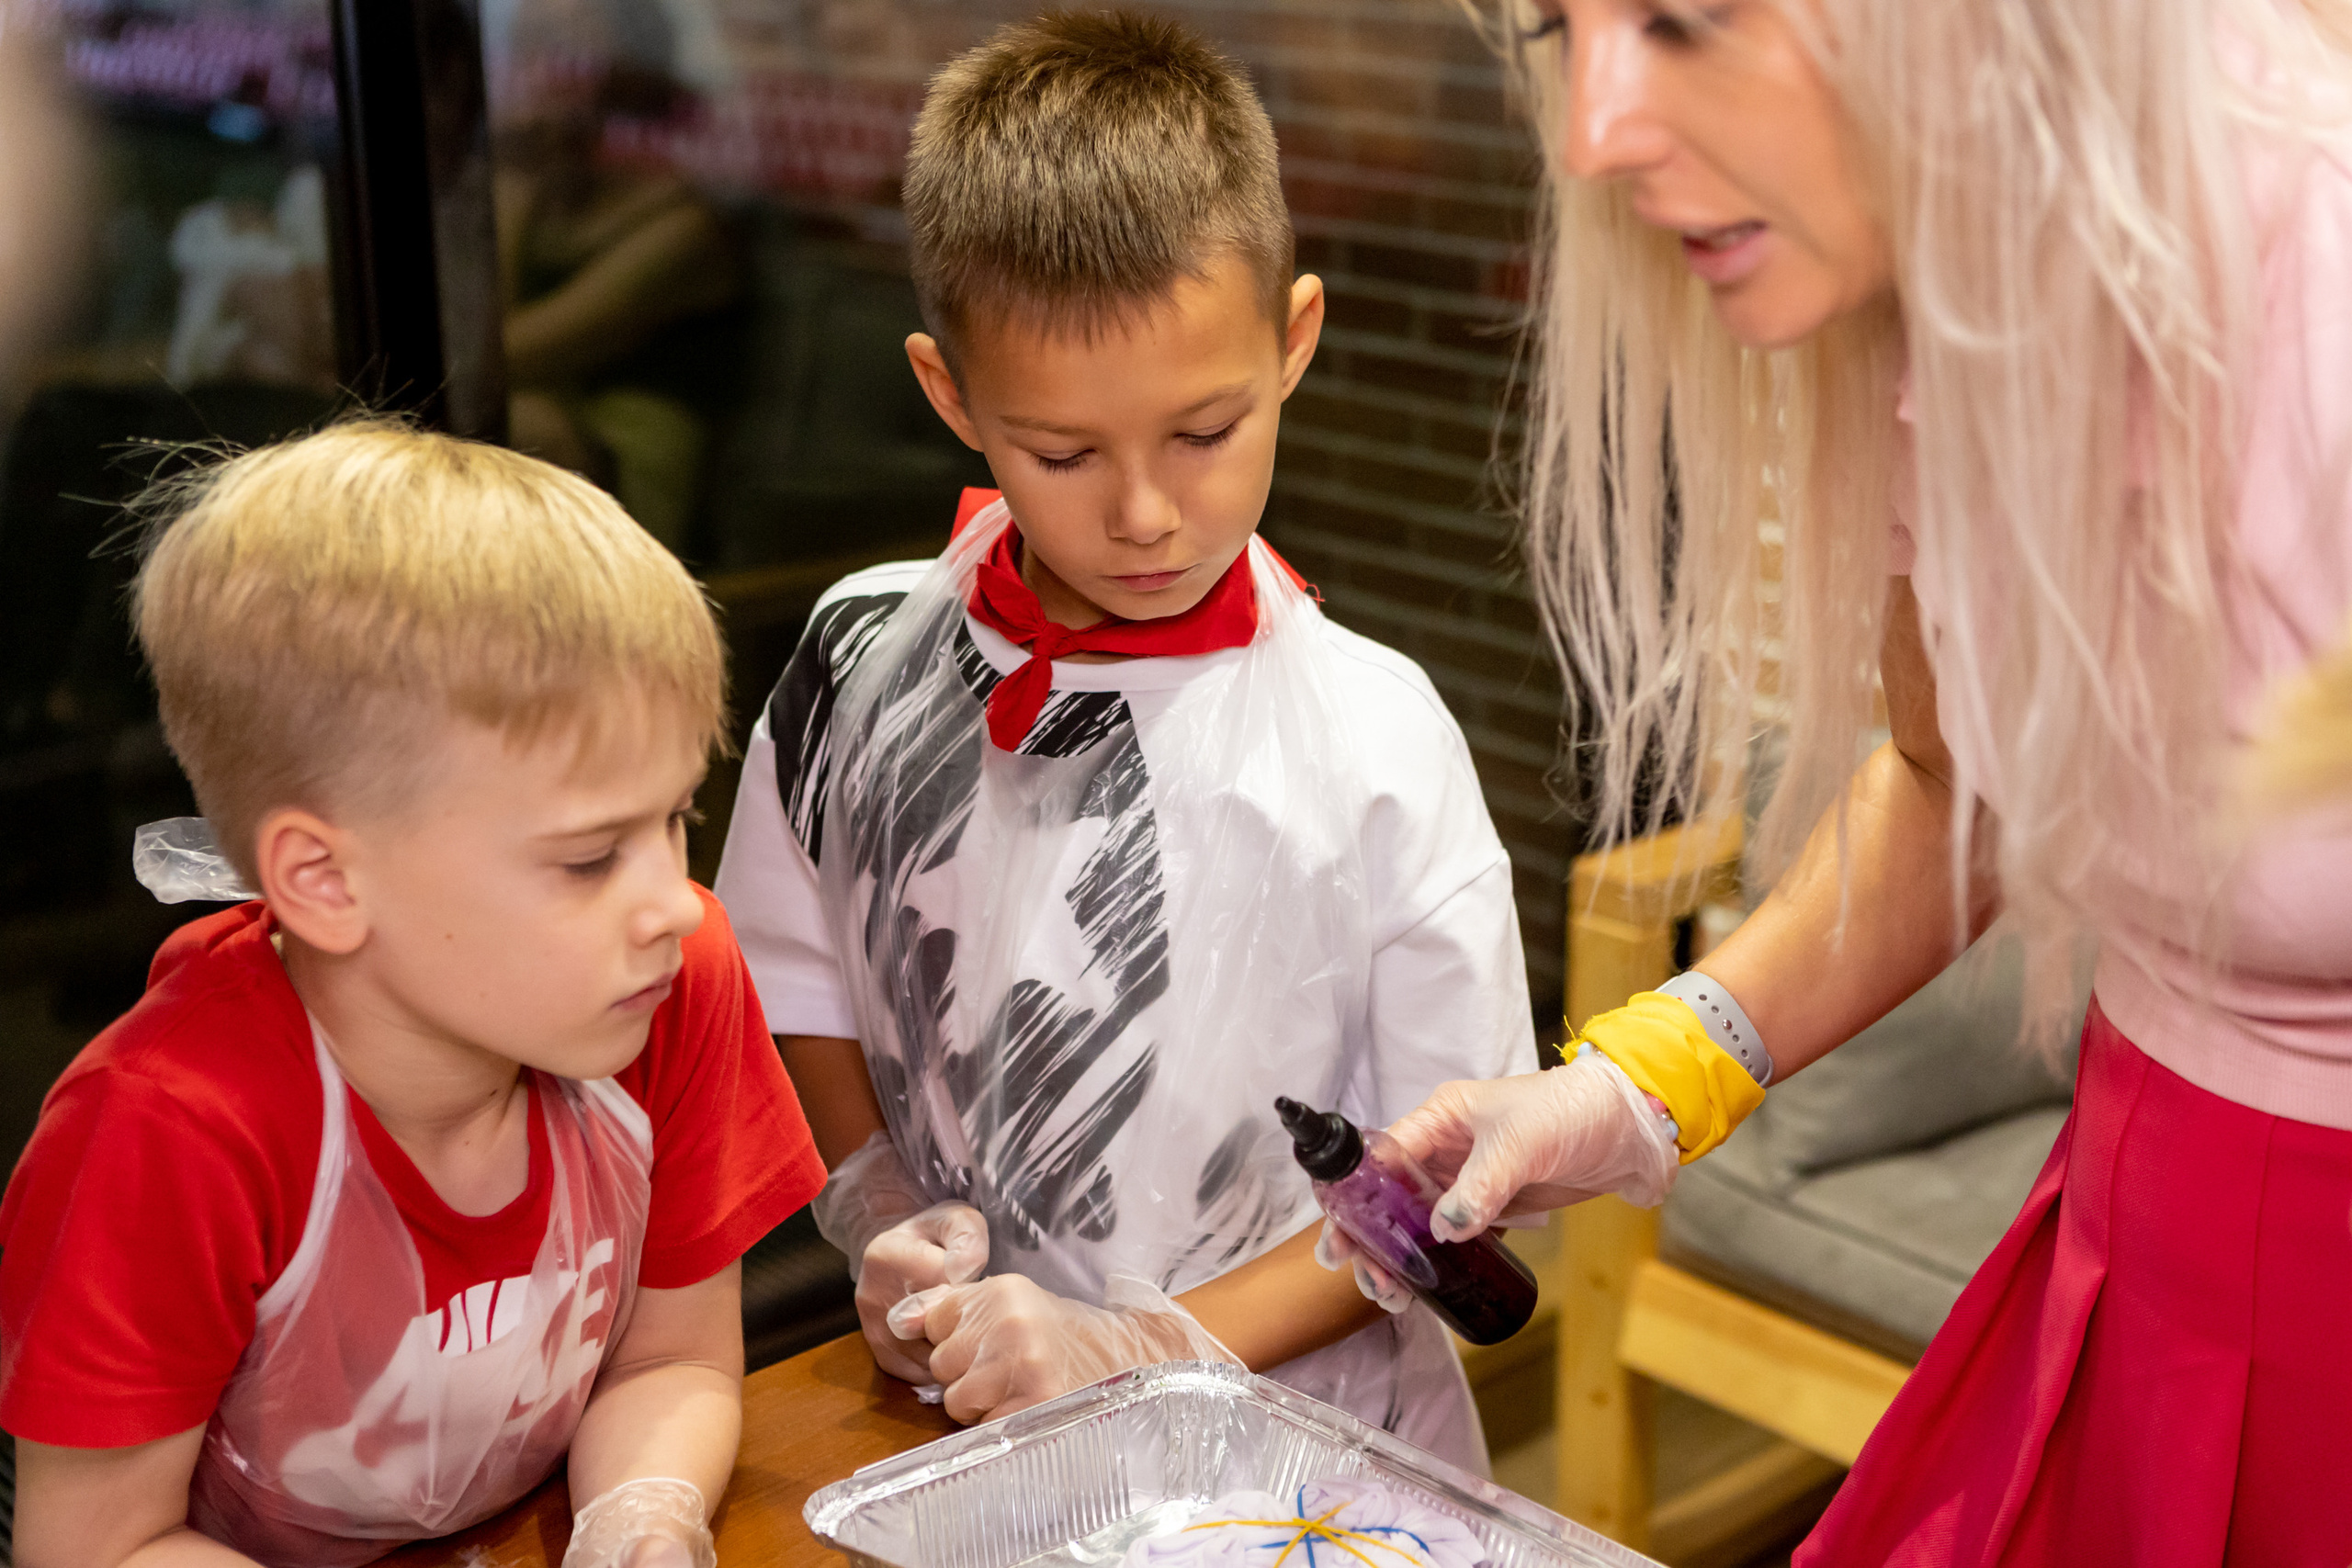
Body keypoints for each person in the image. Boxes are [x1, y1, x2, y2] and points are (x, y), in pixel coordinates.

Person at [1328, 0, 2352, 1560]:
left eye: (1687, 18)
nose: (1597, 131)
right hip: (2131, 1244)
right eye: (1559, 29)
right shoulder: (1943, 320)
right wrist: (1635, 1084)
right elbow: (1961, 785)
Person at [712, 10, 1541, 1474]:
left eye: (1204, 430)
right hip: (970, 1439)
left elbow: (1442, 1208)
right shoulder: (862, 658)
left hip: (1308, 1455)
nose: (1146, 512)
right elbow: (792, 972)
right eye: (1065, 453)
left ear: (1293, 340)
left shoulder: (1374, 742)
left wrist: (1139, 1346)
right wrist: (879, 1196)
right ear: (950, 393)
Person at [0, 422, 827, 1568]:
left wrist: (640, 1518)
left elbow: (668, 1360)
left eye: (677, 816)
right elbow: (99, 1549)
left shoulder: (670, 983)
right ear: (327, 881)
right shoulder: (164, 1134)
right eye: (590, 858)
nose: (675, 902)